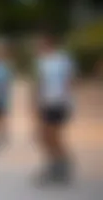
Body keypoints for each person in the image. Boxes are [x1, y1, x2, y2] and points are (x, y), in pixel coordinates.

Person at [32, 31, 76, 186]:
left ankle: (62, 166)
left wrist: (68, 102)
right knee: (44, 136)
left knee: (53, 136)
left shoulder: (62, 60)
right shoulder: (42, 61)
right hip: (46, 103)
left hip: (58, 103)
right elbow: (39, 83)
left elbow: (69, 82)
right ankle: (54, 164)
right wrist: (35, 103)